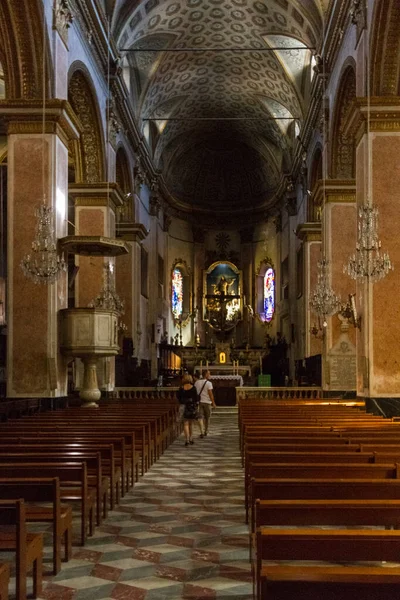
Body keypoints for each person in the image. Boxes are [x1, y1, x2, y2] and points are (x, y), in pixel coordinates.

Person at [177, 374, 200, 446]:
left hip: (183, 406)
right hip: (191, 407)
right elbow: (196, 398)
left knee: (185, 424)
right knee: (191, 424)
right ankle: (191, 438)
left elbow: (179, 398)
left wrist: (183, 401)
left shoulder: (181, 388)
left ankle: (186, 440)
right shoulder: (193, 388)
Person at [195, 370, 216, 436]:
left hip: (199, 402)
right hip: (207, 402)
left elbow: (195, 393)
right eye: (209, 374)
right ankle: (206, 431)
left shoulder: (197, 382)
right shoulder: (209, 383)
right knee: (207, 417)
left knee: (200, 417)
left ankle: (201, 431)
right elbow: (210, 394)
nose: (210, 375)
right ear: (205, 375)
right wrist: (213, 402)